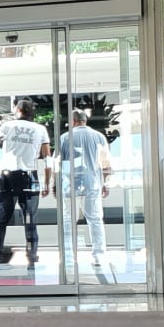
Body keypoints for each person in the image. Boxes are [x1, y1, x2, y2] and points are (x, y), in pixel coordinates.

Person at [0, 98, 50, 267]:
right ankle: (31, 257)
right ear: (32, 112)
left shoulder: (7, 126)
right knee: (30, 221)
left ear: (17, 110)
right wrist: (47, 182)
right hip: (29, 176)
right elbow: (47, 157)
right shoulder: (40, 129)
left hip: (7, 177)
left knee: (1, 221)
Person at [55, 108, 114, 276]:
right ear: (85, 120)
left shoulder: (64, 138)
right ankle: (98, 256)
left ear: (72, 121)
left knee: (68, 220)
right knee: (95, 219)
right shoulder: (99, 137)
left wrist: (54, 184)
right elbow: (106, 164)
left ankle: (69, 255)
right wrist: (106, 183)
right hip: (92, 183)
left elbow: (57, 164)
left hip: (69, 185)